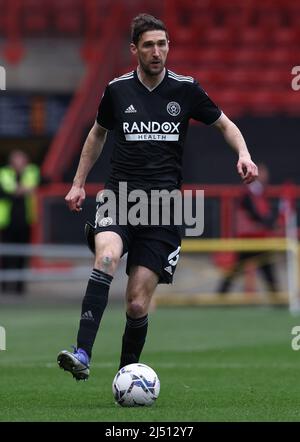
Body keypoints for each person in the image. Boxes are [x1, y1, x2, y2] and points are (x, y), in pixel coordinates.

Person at [57, 13, 258, 381]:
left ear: (169, 48)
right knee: (105, 256)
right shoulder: (117, 90)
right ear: (134, 49)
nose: (156, 52)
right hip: (119, 198)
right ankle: (82, 352)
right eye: (148, 45)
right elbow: (97, 134)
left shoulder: (186, 90)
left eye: (162, 44)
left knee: (136, 303)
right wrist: (78, 182)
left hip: (163, 210)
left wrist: (243, 154)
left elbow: (226, 125)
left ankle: (125, 375)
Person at [218, 163, 279, 294]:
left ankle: (277, 299)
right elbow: (255, 214)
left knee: (267, 271)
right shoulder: (248, 193)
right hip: (248, 240)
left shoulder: (259, 193)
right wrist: (269, 222)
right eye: (262, 173)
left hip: (259, 240)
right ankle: (220, 296)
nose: (265, 176)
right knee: (235, 270)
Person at [0, 150, 40, 294]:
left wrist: (18, 190)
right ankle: (4, 287)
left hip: (25, 221)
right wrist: (23, 189)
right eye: (16, 159)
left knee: (23, 255)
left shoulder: (31, 170)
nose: (19, 162)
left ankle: (19, 288)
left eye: (21, 159)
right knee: (6, 255)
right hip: (6, 222)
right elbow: (8, 189)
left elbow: (31, 185)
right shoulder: (4, 172)